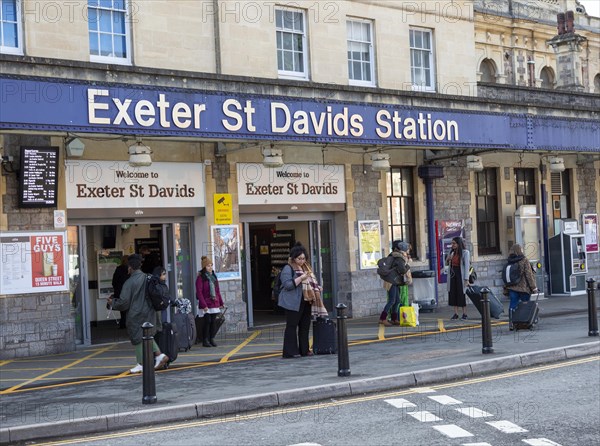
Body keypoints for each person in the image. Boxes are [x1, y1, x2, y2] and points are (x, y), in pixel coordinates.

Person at [107, 254, 169, 373]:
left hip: (136, 314)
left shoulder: (129, 282)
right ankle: (159, 355)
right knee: (147, 336)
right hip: (151, 313)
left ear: (130, 267)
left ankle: (141, 363)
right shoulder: (149, 277)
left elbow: (124, 303)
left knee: (137, 337)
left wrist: (112, 302)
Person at [278, 242, 312, 358]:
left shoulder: (305, 267)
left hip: (306, 300)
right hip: (292, 302)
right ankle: (291, 352)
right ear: (293, 258)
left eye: (303, 258)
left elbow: (311, 281)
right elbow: (287, 285)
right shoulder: (288, 268)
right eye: (299, 258)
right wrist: (301, 278)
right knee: (292, 326)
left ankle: (305, 350)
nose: (302, 261)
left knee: (305, 326)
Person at [378, 240, 411, 326]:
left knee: (397, 300)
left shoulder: (396, 255)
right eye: (408, 249)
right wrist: (408, 265)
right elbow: (402, 270)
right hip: (391, 280)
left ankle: (394, 319)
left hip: (394, 280)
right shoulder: (399, 258)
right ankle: (382, 318)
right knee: (392, 300)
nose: (408, 251)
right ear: (404, 249)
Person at [505, 243, 538, 330]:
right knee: (525, 305)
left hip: (512, 287)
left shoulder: (509, 260)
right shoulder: (524, 260)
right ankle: (525, 322)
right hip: (523, 288)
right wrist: (533, 287)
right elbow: (529, 275)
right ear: (519, 250)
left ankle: (512, 323)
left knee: (512, 305)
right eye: (522, 249)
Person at [196, 256, 224, 347]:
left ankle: (211, 338)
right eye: (208, 266)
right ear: (204, 267)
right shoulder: (200, 278)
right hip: (206, 303)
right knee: (207, 321)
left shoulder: (214, 277)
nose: (210, 267)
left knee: (213, 321)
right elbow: (199, 293)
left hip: (214, 302)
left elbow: (217, 291)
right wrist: (204, 305)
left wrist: (221, 303)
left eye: (211, 265)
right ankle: (205, 339)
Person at [445, 236, 471, 320]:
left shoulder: (465, 252)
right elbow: (447, 264)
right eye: (452, 243)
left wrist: (466, 279)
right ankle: (456, 313)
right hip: (453, 274)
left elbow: (467, 266)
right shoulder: (452, 252)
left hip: (461, 274)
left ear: (458, 244)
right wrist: (448, 259)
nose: (452, 245)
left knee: (461, 294)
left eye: (454, 243)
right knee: (453, 293)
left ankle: (464, 313)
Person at [111, 255, 130, 329]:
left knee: (122, 308)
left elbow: (114, 281)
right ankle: (129, 323)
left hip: (120, 291)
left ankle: (123, 323)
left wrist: (116, 289)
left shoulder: (118, 269)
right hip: (129, 291)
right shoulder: (130, 269)